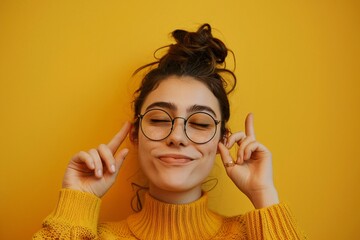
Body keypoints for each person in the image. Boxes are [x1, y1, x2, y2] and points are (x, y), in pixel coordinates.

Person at [33, 24, 305, 239]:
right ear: (135, 135)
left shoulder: (255, 236)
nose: (177, 136)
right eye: (160, 119)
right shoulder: (89, 237)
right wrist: (78, 201)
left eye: (200, 123)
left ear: (223, 141)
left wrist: (264, 195)